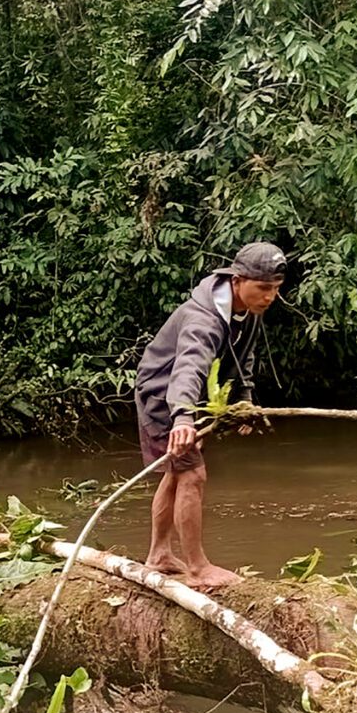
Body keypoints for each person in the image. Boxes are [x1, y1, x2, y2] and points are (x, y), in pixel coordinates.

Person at [135, 242, 286, 589]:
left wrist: (244, 402)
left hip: (192, 397)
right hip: (164, 395)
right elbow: (187, 369)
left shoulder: (247, 312)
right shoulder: (203, 320)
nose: (269, 297)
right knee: (193, 474)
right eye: (263, 288)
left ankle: (159, 555)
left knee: (176, 472)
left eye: (275, 290)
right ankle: (198, 568)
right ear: (237, 280)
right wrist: (183, 418)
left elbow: (244, 358)